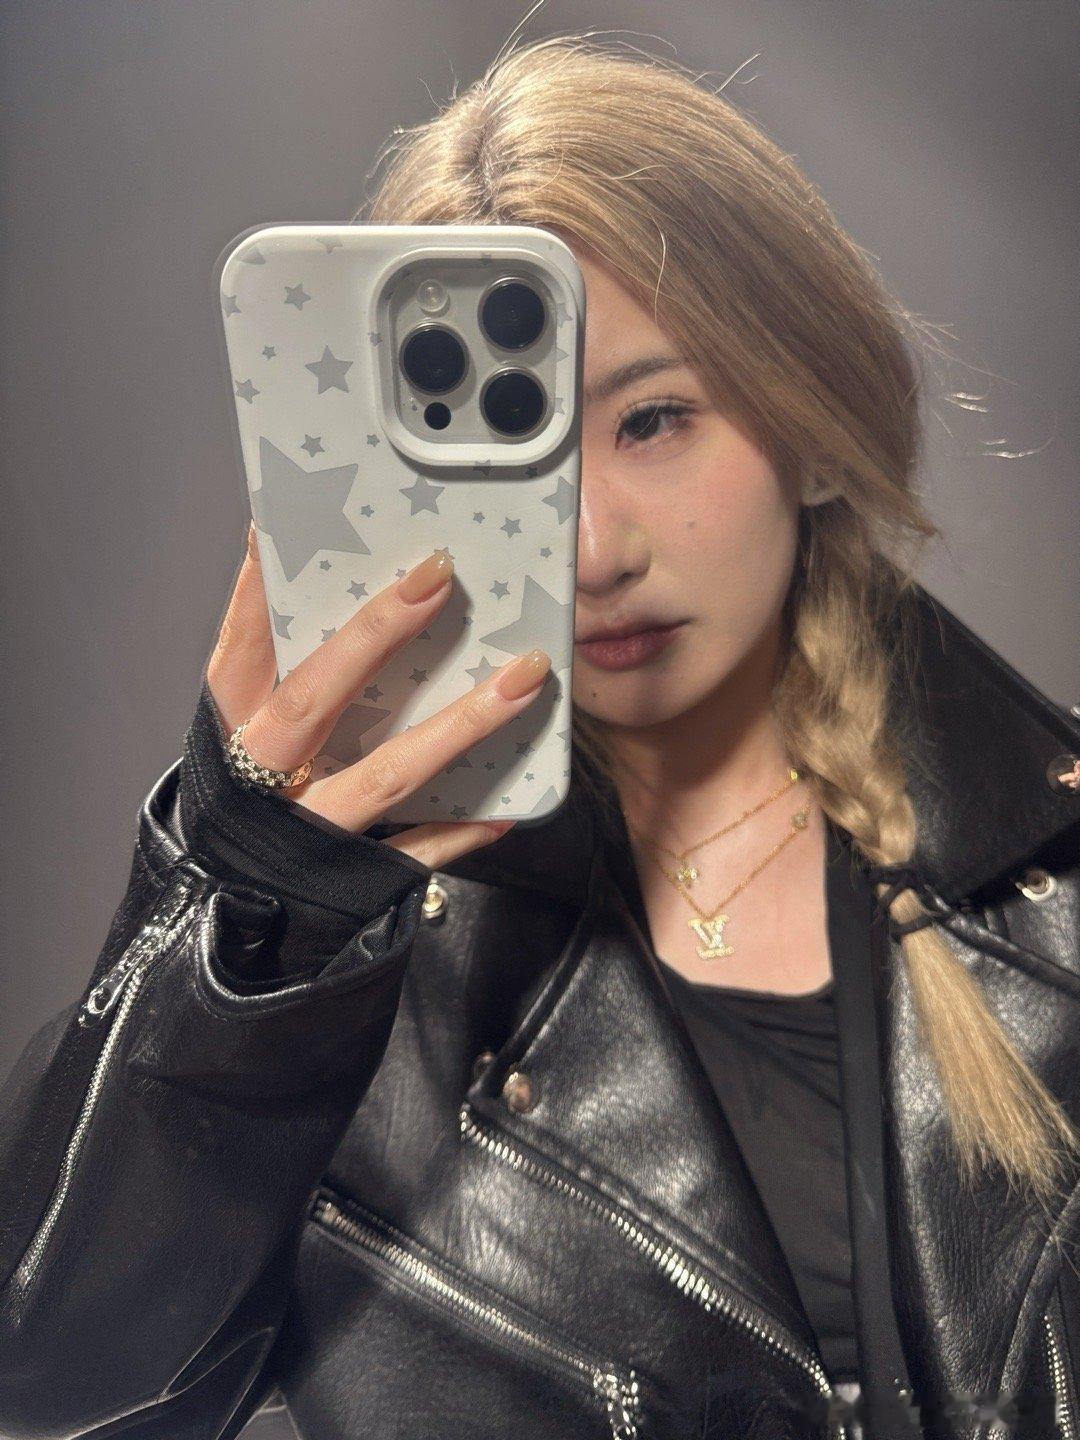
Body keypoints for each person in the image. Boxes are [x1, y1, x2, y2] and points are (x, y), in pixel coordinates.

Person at [2, 33, 1078, 1440]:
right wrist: (236, 906)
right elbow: (56, 1388)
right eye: (520, 452)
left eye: (656, 419)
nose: (589, 549)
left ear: (813, 426)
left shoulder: (1055, 877)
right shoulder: (333, 969)